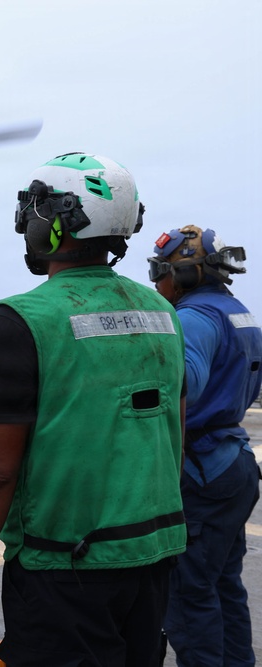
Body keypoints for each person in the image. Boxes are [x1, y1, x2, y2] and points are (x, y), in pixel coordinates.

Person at [0, 152, 187, 666]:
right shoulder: (162, 311)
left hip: (64, 571)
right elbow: (173, 432)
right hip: (152, 559)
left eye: (35, 209)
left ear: (60, 222)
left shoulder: (23, 319)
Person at [147, 225, 261, 666]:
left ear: (186, 274)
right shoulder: (240, 312)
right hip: (233, 462)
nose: (155, 283)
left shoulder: (190, 319)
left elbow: (180, 390)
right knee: (224, 585)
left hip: (201, 472)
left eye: (160, 271)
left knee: (189, 595)